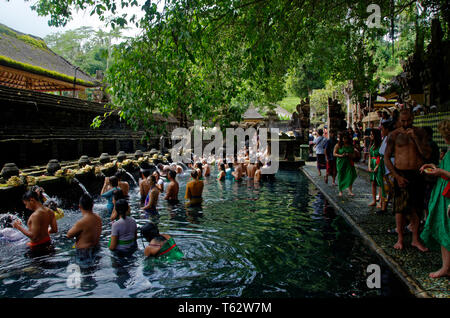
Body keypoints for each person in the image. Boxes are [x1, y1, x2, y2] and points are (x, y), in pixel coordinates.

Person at [384, 109, 431, 252]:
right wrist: (396, 176)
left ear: (413, 118)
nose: (406, 124)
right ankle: (400, 239)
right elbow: (386, 157)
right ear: (398, 120)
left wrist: (416, 138)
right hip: (401, 173)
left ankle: (415, 239)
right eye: (403, 121)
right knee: (400, 209)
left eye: (409, 120)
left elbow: (427, 154)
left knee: (416, 208)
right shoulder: (393, 135)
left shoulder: (420, 132)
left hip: (417, 173)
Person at [419, 119, 450, 278]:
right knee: (444, 230)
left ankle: (446, 268)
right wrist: (433, 166)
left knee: (446, 230)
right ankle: (446, 267)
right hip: (444, 195)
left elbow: (447, 173)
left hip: (448, 198)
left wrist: (440, 173)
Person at [333, 132, 357, 197]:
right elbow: (334, 153)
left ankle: (350, 191)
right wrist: (340, 155)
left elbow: (354, 155)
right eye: (343, 138)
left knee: (350, 175)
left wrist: (349, 155)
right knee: (341, 175)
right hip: (341, 162)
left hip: (349, 162)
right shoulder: (338, 145)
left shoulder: (351, 146)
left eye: (345, 139)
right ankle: (340, 190)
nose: (344, 140)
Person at [379, 120, 395, 214]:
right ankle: (383, 207)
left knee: (390, 188)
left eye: (382, 129)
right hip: (384, 165)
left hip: (389, 166)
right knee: (385, 187)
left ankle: (392, 208)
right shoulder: (385, 138)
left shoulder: (391, 138)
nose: (382, 131)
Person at [368, 129, 385, 208]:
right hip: (372, 163)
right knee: (373, 183)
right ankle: (374, 200)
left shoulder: (381, 145)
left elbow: (382, 156)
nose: (370, 136)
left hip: (378, 164)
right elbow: (370, 156)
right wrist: (369, 165)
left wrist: (377, 166)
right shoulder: (372, 145)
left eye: (372, 134)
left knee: (380, 183)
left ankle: (381, 201)